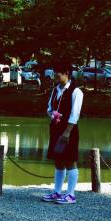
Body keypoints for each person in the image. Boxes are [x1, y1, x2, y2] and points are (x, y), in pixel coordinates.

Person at [42, 62, 83, 204]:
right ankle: (57, 192)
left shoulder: (76, 92)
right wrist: (53, 115)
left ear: (66, 73)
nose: (55, 76)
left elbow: (75, 114)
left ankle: (71, 195)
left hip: (69, 131)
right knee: (58, 161)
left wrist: (67, 132)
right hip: (55, 129)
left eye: (57, 74)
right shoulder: (55, 90)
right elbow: (49, 108)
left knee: (70, 160)